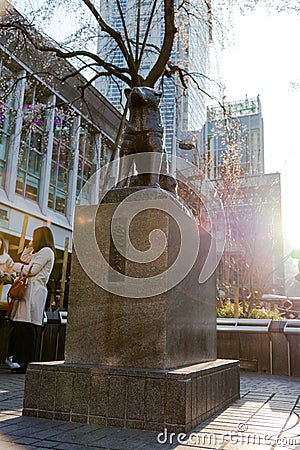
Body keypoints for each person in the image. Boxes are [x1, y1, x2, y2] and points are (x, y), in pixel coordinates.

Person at [7, 226, 56, 373]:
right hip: (29, 291)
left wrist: (13, 266)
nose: (32, 240)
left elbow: (31, 270)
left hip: (34, 292)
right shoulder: (40, 252)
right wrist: (29, 245)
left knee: (27, 327)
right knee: (22, 326)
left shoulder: (46, 252)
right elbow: (24, 258)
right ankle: (20, 361)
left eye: (34, 238)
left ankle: (26, 363)